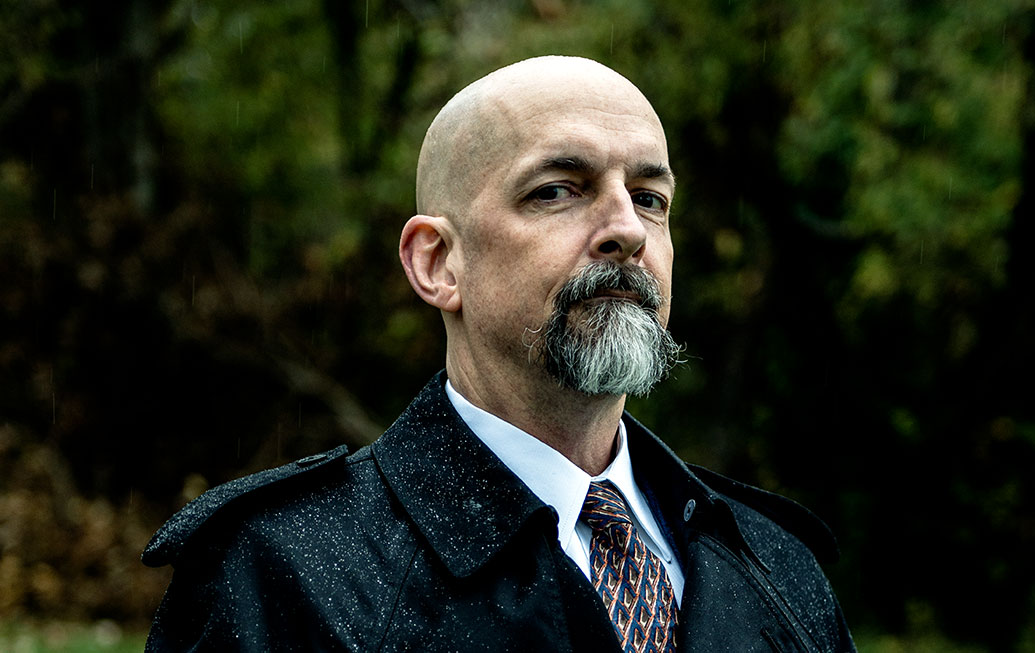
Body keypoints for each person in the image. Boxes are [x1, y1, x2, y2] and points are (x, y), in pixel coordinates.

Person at [142, 56, 856, 652]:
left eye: (649, 197)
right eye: (557, 191)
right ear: (437, 263)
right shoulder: (277, 572)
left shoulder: (776, 564)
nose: (627, 229)